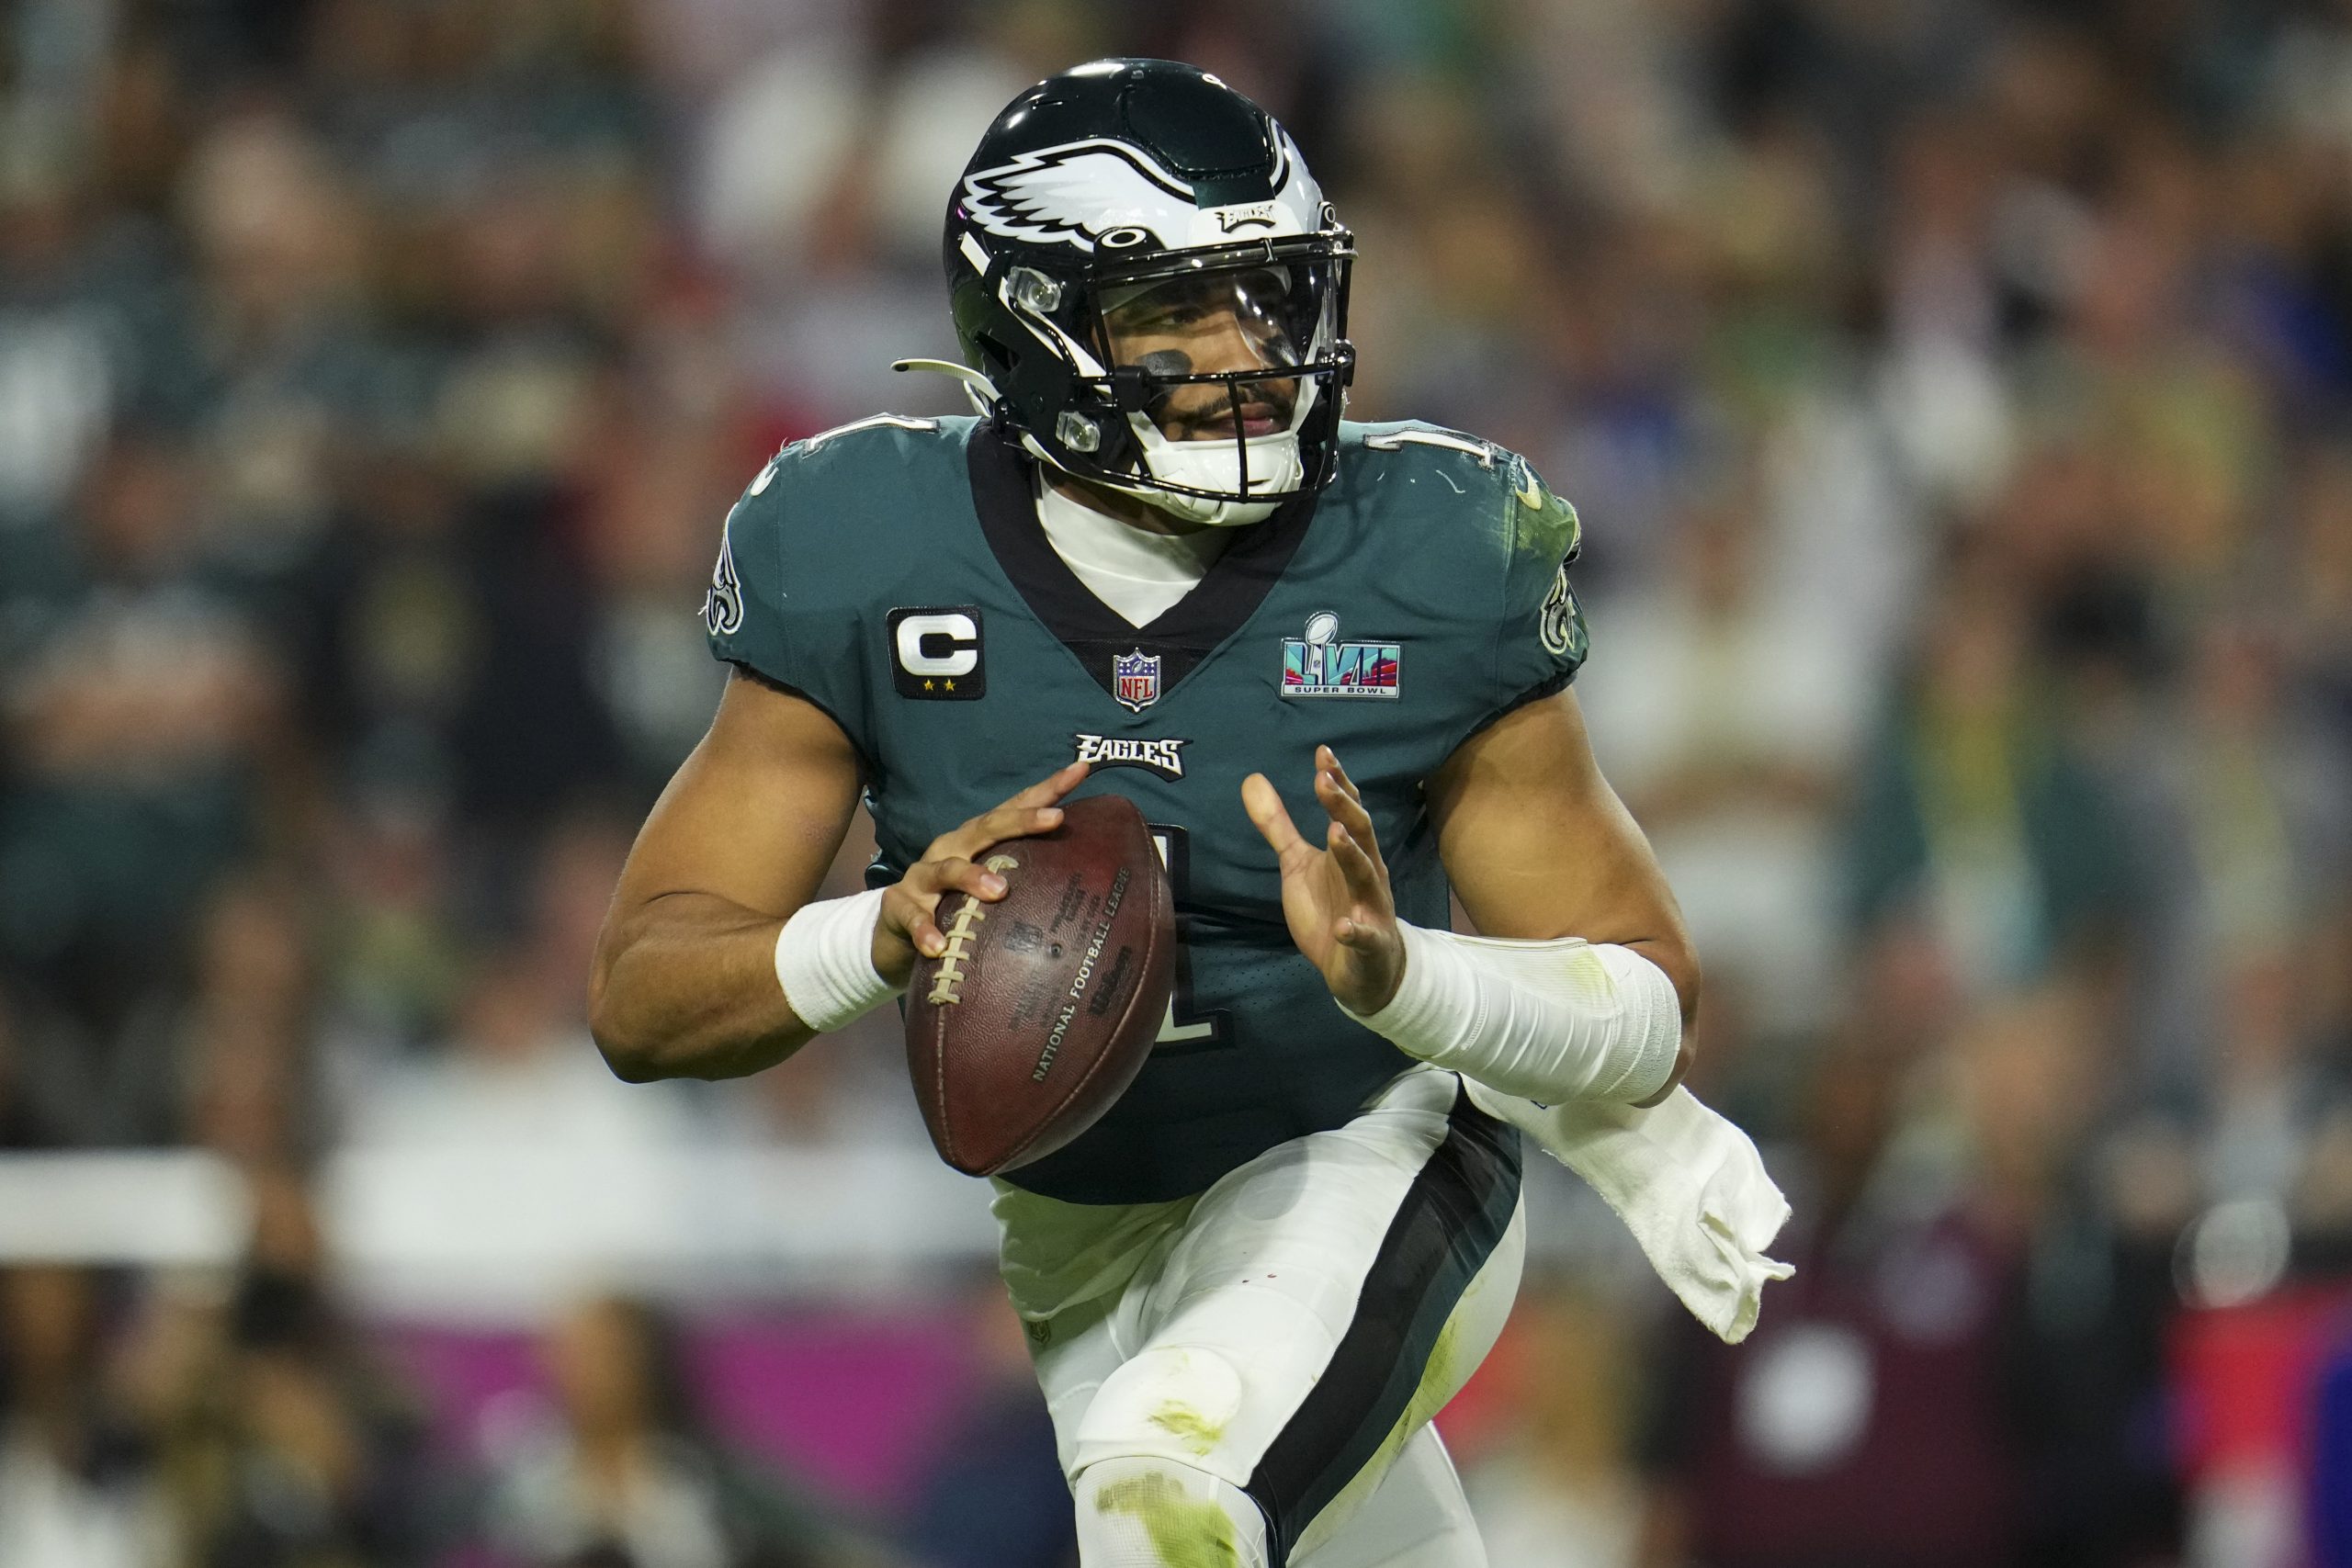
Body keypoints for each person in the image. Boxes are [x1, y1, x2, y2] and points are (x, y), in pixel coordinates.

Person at [592, 60, 1781, 1568]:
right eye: (1178, 313)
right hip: (1082, 1223)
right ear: (1030, 328)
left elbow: (1650, 1002)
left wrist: (1407, 976)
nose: (1252, 354)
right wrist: (872, 940)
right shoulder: (864, 545)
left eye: (1272, 297)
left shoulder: (1424, 546)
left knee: (1170, 1488)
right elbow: (644, 994)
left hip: (1378, 1140)